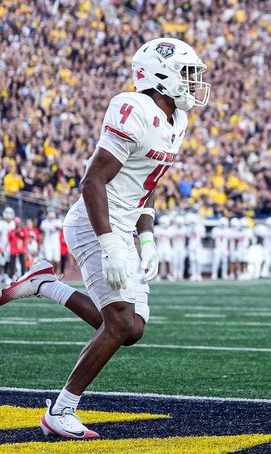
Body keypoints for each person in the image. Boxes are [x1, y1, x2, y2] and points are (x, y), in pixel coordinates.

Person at [0, 37, 210, 439]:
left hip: (125, 224)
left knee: (131, 329)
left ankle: (46, 285)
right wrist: (112, 243)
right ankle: (61, 410)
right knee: (117, 323)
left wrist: (145, 238)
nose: (194, 84)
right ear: (161, 75)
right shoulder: (133, 108)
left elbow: (146, 185)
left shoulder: (177, 120)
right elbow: (92, 180)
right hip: (95, 223)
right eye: (187, 75)